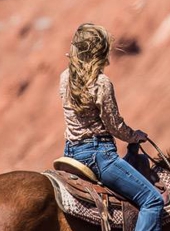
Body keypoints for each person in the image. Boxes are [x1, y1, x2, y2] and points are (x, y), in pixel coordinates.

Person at [60, 23, 164, 231]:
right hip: (99, 156)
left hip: (70, 154)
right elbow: (114, 125)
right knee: (152, 202)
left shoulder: (65, 78)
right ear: (100, 52)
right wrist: (135, 136)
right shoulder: (101, 83)